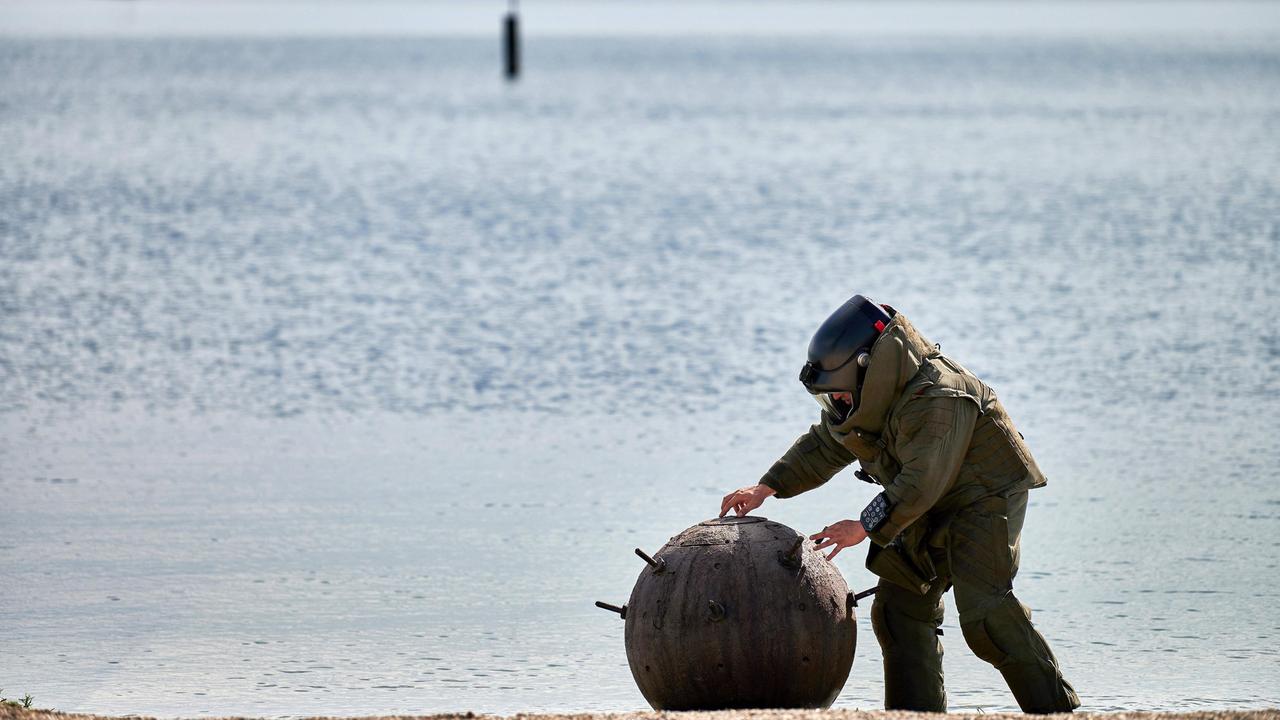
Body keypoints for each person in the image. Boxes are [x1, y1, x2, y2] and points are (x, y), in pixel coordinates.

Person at [719, 294, 1079, 714]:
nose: (835, 406)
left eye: (837, 396)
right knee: (899, 610)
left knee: (986, 616)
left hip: (982, 498)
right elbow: (824, 444)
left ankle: (1057, 711)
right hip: (923, 504)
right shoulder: (867, 399)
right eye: (829, 399)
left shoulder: (940, 398)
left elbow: (921, 483)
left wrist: (864, 526)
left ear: (867, 370)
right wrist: (766, 487)